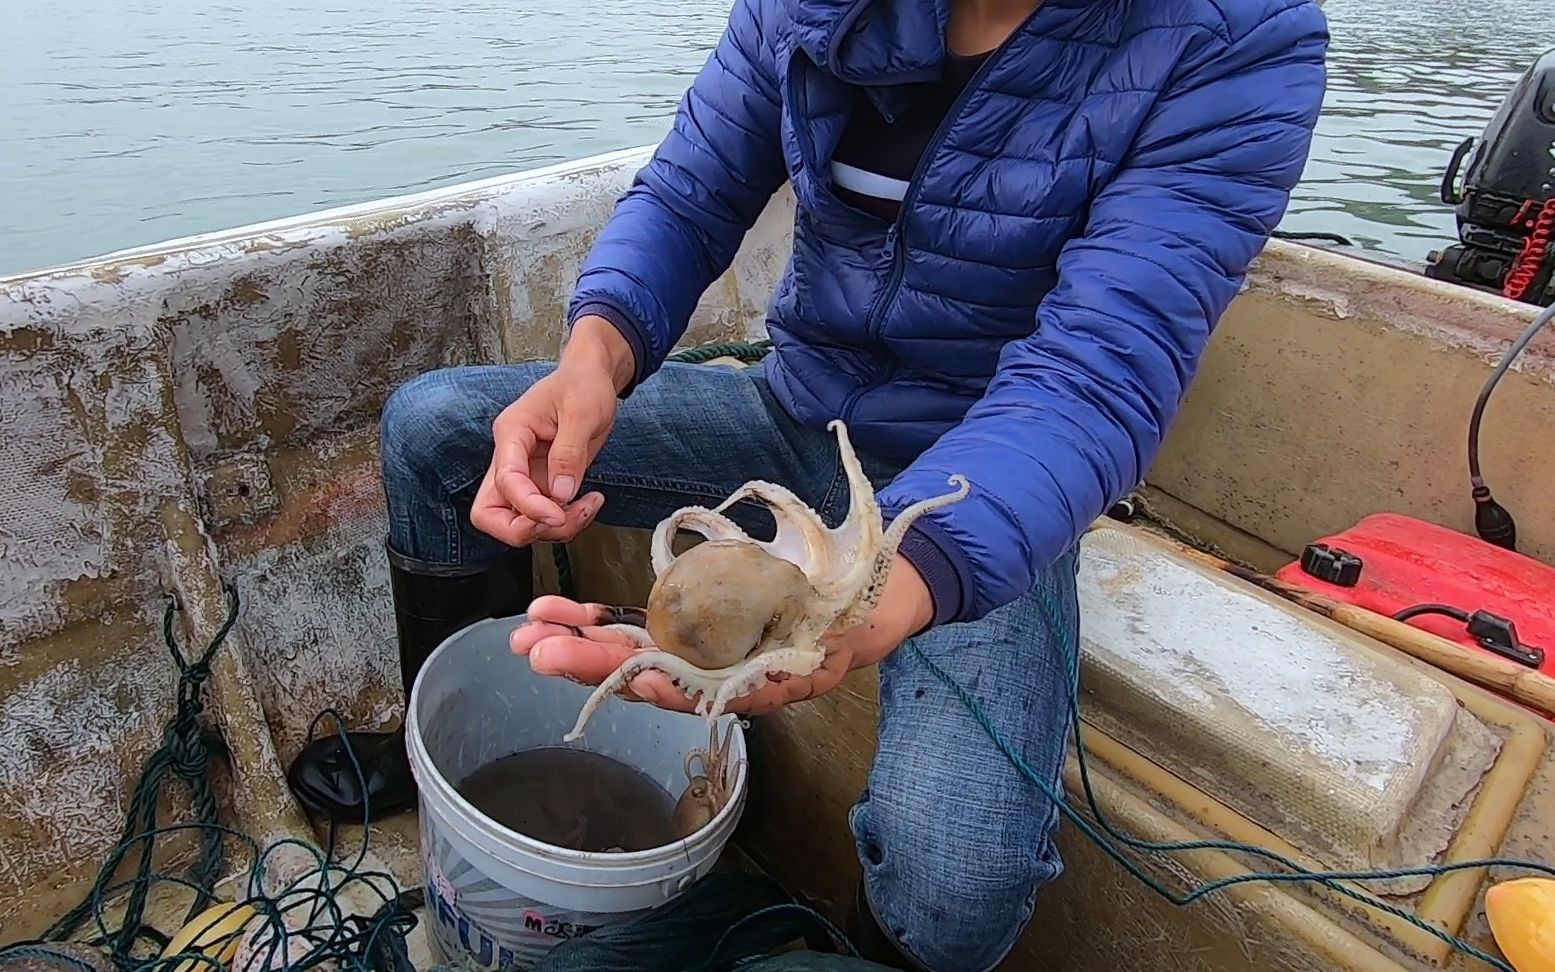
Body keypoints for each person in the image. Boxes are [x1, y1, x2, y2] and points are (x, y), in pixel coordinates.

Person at [287, 0, 1328, 967]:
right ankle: (450, 741)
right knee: (436, 428)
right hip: (797, 408)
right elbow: (691, 193)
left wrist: (883, 591)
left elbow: (1096, 380)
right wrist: (593, 358)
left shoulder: (1238, 36)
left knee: (959, 878)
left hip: (964, 485)